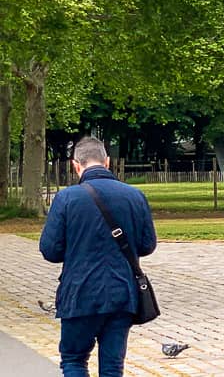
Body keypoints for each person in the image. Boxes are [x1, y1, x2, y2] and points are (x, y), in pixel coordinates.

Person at [39, 137, 157, 377]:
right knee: (113, 367)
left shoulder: (66, 198)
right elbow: (147, 245)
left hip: (79, 293)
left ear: (76, 165)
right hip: (122, 293)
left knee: (74, 360)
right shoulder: (135, 196)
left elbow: (50, 250)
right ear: (107, 162)